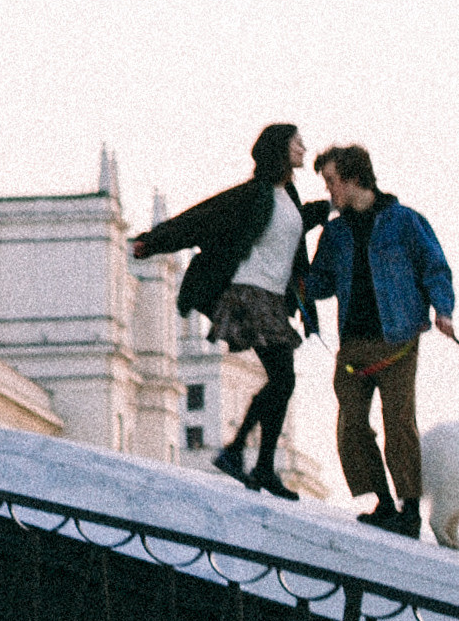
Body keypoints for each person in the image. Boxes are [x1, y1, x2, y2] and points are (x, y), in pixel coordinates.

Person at [130, 125, 325, 495]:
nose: (304, 147)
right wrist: (154, 241)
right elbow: (204, 217)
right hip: (249, 295)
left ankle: (246, 457)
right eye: (297, 141)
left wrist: (330, 208)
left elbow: (295, 228)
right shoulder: (255, 194)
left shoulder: (289, 196)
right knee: (283, 379)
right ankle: (250, 459)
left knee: (281, 380)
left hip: (271, 298)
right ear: (281, 150)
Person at [314, 144, 455, 537]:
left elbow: (434, 267)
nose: (329, 192)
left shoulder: (405, 222)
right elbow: (321, 283)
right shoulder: (335, 232)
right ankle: (382, 501)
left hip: (398, 339)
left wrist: (443, 310)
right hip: (353, 344)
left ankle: (409, 511)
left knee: (399, 425)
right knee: (352, 426)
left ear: (354, 178)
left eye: (331, 182)